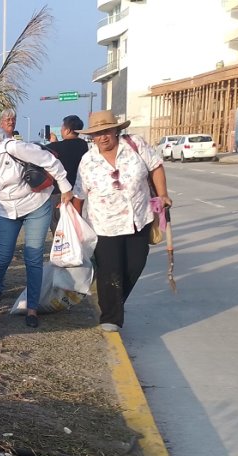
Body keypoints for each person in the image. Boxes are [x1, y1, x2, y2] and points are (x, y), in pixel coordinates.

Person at [0, 127, 73, 329]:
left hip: (36, 203)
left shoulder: (13, 148)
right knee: (1, 257)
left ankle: (32, 307)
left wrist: (65, 188)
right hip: (6, 210)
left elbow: (48, 160)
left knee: (33, 255)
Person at [70, 110, 172, 331]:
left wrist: (162, 194)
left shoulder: (135, 144)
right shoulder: (87, 161)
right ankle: (111, 317)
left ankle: (113, 302)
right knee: (110, 270)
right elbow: (79, 195)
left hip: (138, 219)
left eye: (107, 131)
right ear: (91, 137)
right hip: (103, 225)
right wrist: (76, 227)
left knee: (136, 264)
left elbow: (155, 166)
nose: (103, 137)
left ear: (116, 130)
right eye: (97, 134)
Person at [45, 115, 90, 235]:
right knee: (75, 223)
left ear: (68, 130)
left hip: (59, 193)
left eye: (62, 127)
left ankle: (62, 249)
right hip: (78, 191)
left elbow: (46, 153)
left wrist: (54, 143)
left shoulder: (56, 147)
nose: (60, 130)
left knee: (58, 224)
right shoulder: (84, 146)